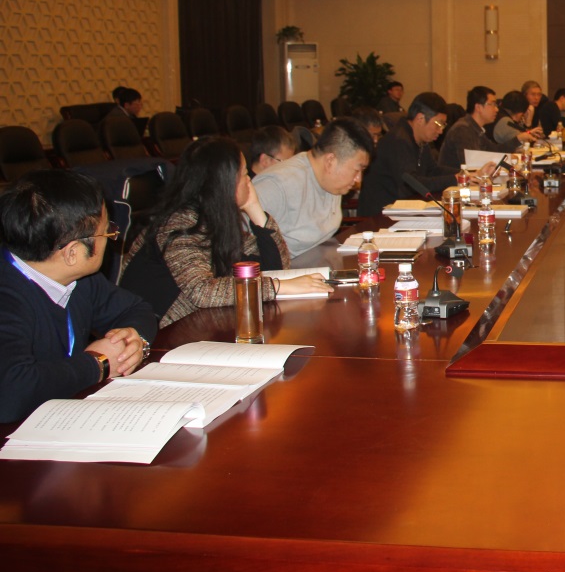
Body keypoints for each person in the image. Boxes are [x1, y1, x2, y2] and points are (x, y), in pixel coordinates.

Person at [119, 139, 330, 327]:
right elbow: (202, 291)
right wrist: (278, 287)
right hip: (158, 334)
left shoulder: (219, 219)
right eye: (244, 174)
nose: (249, 181)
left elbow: (274, 268)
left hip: (197, 324)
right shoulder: (181, 223)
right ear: (225, 182)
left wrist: (254, 208)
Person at [0, 170, 156, 423]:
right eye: (107, 233)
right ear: (72, 253)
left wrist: (133, 338)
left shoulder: (79, 279)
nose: (112, 239)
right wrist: (98, 364)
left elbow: (136, 310)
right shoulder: (7, 297)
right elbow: (11, 394)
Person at [252, 118, 374, 256]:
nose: (358, 179)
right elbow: (240, 247)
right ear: (330, 161)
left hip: (321, 262)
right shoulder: (276, 185)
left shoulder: (332, 182)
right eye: (357, 170)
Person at [358, 93, 456, 217]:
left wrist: (464, 174)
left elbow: (432, 170)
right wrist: (455, 179)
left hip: (401, 210)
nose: (441, 131)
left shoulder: (420, 139)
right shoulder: (398, 141)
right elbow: (411, 184)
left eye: (443, 125)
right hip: (379, 216)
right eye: (438, 124)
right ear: (420, 119)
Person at [439, 86, 539, 170]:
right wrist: (505, 158)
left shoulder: (475, 127)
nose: (496, 109)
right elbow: (470, 163)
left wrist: (518, 139)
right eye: (492, 104)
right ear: (478, 107)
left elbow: (494, 150)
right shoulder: (463, 129)